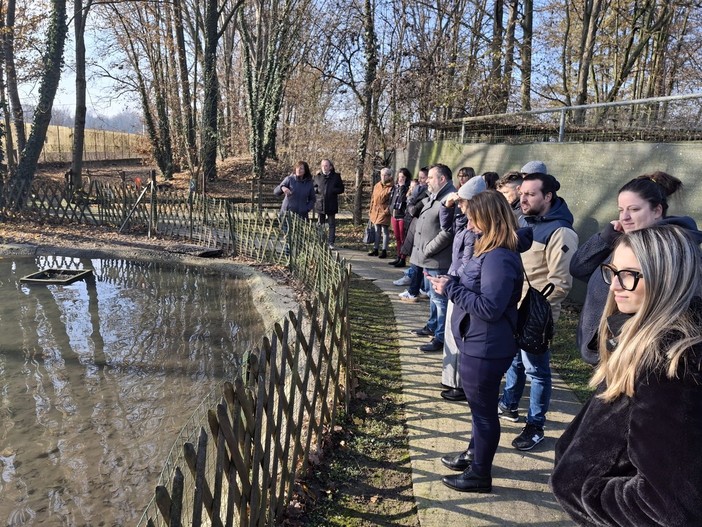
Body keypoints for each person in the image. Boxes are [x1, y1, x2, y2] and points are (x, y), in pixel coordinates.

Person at [551, 225, 702, 526]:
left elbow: (666, 506)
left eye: (630, 274)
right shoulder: (637, 341)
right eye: (613, 271)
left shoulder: (669, 364)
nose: (616, 285)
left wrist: (582, 487)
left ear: (666, 281)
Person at [427, 191, 524, 493]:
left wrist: (451, 289)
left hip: (486, 347)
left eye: (473, 218)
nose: (468, 225)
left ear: (490, 219)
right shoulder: (491, 250)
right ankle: (474, 455)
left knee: (483, 413)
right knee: (479, 409)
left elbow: (490, 308)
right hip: (479, 342)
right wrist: (452, 284)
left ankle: (480, 474)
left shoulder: (498, 257)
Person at [570, 172, 702, 365]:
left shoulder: (673, 251)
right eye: (621, 210)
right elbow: (578, 268)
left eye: (634, 209)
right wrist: (605, 238)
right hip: (606, 350)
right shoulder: (623, 243)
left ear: (657, 211)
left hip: (635, 355)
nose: (625, 217)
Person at [498, 167, 579, 451]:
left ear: (548, 196)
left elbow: (561, 283)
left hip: (536, 314)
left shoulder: (561, 232)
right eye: (521, 194)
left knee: (537, 371)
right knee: (515, 362)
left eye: (530, 194)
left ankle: (536, 426)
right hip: (514, 308)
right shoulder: (524, 221)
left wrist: (535, 310)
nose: (523, 199)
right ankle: (508, 404)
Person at [438, 176, 486, 400]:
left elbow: (468, 264)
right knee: (451, 333)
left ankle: (460, 384)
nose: (459, 206)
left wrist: (451, 280)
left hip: (461, 287)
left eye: (462, 202)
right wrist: (447, 205)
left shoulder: (477, 231)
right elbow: (447, 226)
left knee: (459, 337)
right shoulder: (465, 222)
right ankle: (452, 380)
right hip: (454, 282)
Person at [408, 164, 456, 352]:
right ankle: (432, 325)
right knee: (433, 298)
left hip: (438, 259)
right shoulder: (436, 196)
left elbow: (448, 231)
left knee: (440, 300)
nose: (426, 180)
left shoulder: (450, 198)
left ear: (442, 179)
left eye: (430, 177)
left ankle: (440, 337)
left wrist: (428, 249)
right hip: (428, 259)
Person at [313, 159, 345, 249]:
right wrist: (317, 190)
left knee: (331, 224)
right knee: (320, 224)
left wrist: (333, 190)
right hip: (320, 204)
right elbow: (313, 187)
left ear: (330, 167)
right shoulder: (317, 177)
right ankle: (320, 241)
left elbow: (341, 189)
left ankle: (331, 242)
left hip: (331, 203)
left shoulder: (336, 176)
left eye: (326, 165)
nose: (324, 167)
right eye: (322, 165)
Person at [368, 168, 394, 258]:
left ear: (389, 176)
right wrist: (370, 210)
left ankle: (384, 250)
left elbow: (392, 200)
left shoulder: (391, 187)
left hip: (384, 210)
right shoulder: (377, 185)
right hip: (375, 210)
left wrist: (387, 210)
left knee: (384, 230)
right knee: (377, 230)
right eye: (382, 175)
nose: (383, 177)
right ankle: (375, 249)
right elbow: (372, 198)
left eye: (385, 175)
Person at [388, 168, 411, 266]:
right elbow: (392, 199)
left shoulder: (406, 188)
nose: (400, 179)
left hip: (402, 215)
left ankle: (403, 258)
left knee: (402, 238)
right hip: (394, 214)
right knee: (397, 238)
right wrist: (389, 208)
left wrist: (402, 187)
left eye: (403, 177)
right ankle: (398, 256)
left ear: (406, 178)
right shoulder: (395, 187)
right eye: (399, 176)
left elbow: (402, 199)